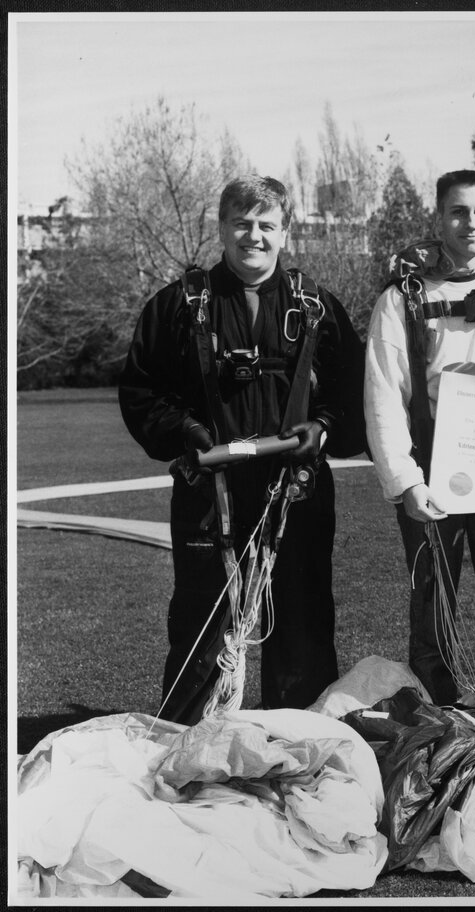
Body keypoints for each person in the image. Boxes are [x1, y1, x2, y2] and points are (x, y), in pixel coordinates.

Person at [119, 175, 366, 725]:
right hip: (211, 489)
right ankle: (187, 744)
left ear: (286, 231)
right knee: (203, 619)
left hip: (295, 490)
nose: (253, 236)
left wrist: (323, 426)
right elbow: (141, 390)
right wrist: (184, 430)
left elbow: (354, 392)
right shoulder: (180, 305)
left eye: (266, 225)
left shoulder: (317, 307)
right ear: (222, 226)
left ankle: (299, 746)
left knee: (300, 618)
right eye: (242, 223)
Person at [364, 169, 475, 707]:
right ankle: (435, 705)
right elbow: (383, 394)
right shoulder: (402, 298)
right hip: (430, 461)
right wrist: (406, 482)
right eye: (458, 211)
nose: (470, 222)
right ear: (439, 219)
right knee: (432, 591)